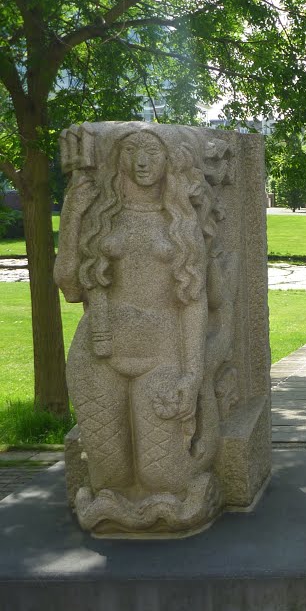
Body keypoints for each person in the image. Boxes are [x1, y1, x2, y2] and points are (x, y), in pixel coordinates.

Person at [56, 125, 221, 535]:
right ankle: (113, 509)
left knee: (161, 479)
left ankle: (186, 493)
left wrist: (193, 375)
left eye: (153, 152)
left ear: (170, 162)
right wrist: (73, 214)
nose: (143, 161)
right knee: (109, 478)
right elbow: (70, 285)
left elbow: (193, 303)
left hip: (160, 353)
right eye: (132, 151)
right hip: (100, 351)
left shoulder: (180, 224)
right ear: (119, 160)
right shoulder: (99, 217)